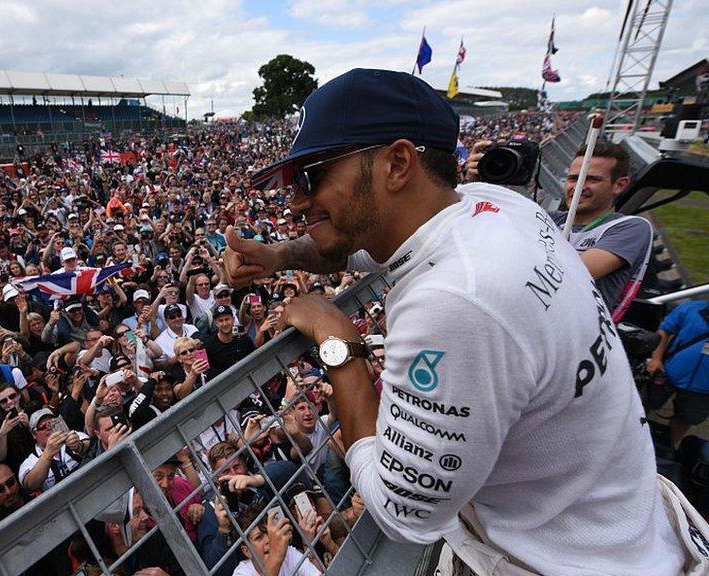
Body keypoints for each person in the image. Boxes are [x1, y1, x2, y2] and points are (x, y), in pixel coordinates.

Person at [223, 68, 691, 573]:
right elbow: (371, 251)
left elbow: (402, 513)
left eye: (311, 176)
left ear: (397, 163)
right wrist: (277, 256)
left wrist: (340, 345)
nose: (293, 200)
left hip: (557, 560)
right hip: (619, 528)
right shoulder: (498, 208)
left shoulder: (457, 299)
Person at [466, 140, 652, 322]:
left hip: (575, 343)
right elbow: (476, 231)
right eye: (573, 178)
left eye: (592, 179)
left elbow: (563, 276)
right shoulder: (545, 217)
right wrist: (476, 187)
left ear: (619, 185)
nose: (579, 187)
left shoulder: (631, 227)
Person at [647, 299, 709, 447]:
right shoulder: (691, 308)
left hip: (704, 388)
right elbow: (664, 330)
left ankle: (668, 447)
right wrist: (656, 358)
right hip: (667, 372)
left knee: (686, 419)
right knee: (645, 404)